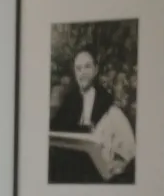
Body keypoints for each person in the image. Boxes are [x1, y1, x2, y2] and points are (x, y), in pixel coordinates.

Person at [47, 49, 136, 183]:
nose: (82, 73)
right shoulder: (68, 103)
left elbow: (127, 148)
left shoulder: (109, 108)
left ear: (96, 69)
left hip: (98, 176)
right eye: (78, 69)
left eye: (87, 67)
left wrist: (118, 162)